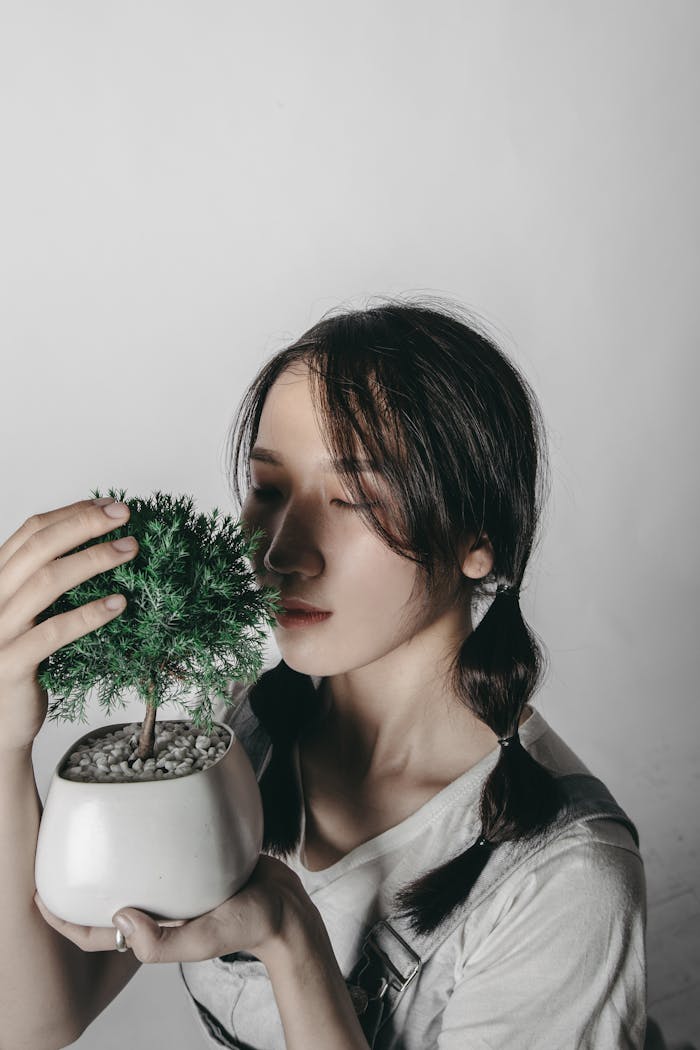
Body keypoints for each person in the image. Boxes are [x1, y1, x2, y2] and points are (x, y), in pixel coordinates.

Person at [0, 297, 647, 1050]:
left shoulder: (566, 880)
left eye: (355, 500)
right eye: (269, 491)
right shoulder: (241, 729)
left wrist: (289, 938)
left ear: (482, 541)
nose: (279, 554)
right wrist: (6, 745)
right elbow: (35, 1024)